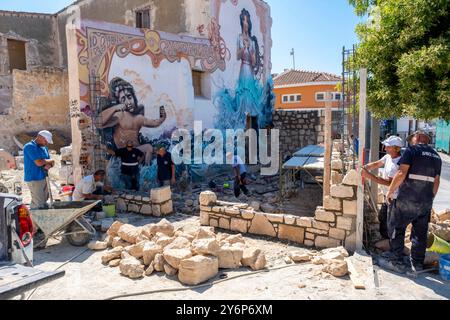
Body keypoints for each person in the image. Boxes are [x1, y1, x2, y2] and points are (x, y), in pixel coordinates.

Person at [385, 130, 442, 273]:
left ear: (417, 138)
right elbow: (436, 181)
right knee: (419, 233)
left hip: (407, 199)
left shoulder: (412, 150)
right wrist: (430, 198)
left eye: (412, 139)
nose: (411, 141)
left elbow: (401, 173)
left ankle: (396, 261)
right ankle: (417, 264)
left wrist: (390, 191)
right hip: (425, 202)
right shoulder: (436, 156)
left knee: (397, 228)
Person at [99, 77, 167, 165]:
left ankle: (145, 170)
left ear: (134, 98)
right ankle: (145, 171)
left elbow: (155, 123)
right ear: (119, 103)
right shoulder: (119, 116)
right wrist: (114, 108)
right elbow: (98, 122)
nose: (128, 102)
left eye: (129, 97)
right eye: (123, 99)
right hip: (124, 153)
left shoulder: (139, 118)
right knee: (149, 147)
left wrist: (162, 118)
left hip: (137, 152)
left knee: (154, 150)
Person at [361, 136, 403, 239]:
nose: (384, 148)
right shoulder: (388, 157)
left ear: (395, 148)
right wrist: (365, 167)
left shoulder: (398, 163)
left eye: (388, 147)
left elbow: (389, 183)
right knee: (382, 219)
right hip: (388, 196)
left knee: (391, 223)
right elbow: (377, 164)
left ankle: (392, 245)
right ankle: (386, 242)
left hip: (395, 198)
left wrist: (369, 176)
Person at [23, 131, 55, 210]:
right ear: (40, 137)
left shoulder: (44, 148)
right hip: (34, 179)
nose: (46, 143)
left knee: (43, 200)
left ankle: (39, 219)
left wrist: (50, 164)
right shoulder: (29, 146)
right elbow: (39, 162)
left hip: (44, 177)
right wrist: (51, 161)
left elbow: (49, 162)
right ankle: (35, 220)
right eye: (46, 141)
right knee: (39, 203)